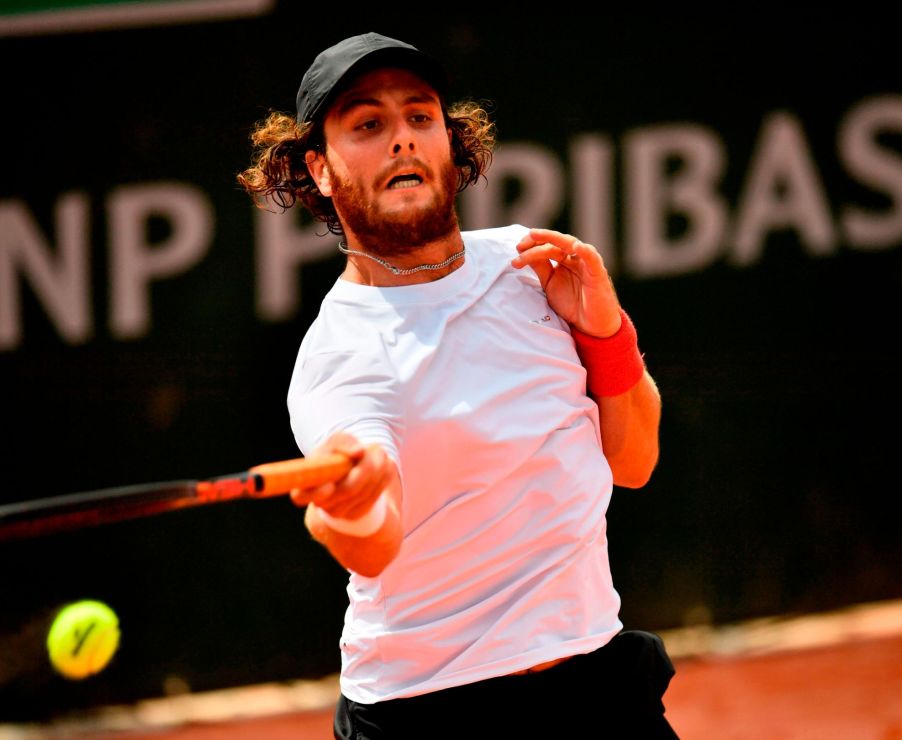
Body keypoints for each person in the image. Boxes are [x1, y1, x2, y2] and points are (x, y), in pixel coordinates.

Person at [238, 32, 675, 739]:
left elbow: (635, 462)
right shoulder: (342, 353)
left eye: (420, 117)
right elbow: (374, 539)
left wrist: (607, 335)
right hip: (432, 713)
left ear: (449, 140)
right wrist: (347, 509)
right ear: (318, 169)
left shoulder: (532, 265)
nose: (402, 140)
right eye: (368, 125)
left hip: (597, 686)